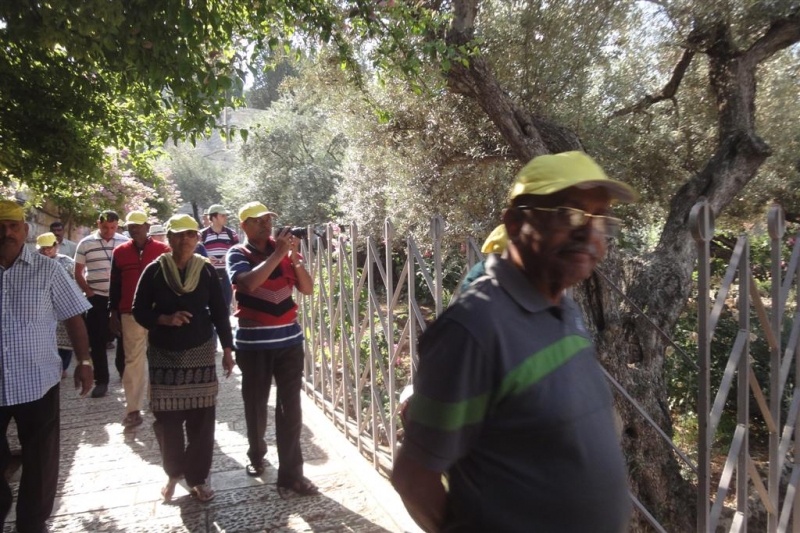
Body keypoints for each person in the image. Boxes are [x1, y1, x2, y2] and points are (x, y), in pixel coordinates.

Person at [391, 151, 637, 532]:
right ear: (515, 222)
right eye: (568, 213)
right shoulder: (474, 327)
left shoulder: (565, 308)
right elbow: (414, 479)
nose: (589, 233)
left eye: (601, 219)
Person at [0, 200, 93, 533]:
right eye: (0, 227)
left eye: (13, 226)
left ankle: (32, 523)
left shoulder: (48, 270)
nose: (6, 232)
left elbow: (73, 316)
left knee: (40, 460)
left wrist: (84, 361)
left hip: (37, 381)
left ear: (25, 230)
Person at [132, 214, 234, 503]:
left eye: (190, 234)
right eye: (178, 234)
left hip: (200, 350)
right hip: (164, 354)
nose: (185, 239)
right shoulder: (155, 270)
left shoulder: (205, 270)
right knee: (167, 420)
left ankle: (198, 478)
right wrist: (164, 318)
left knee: (202, 420)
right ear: (169, 238)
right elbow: (139, 309)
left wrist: (228, 349)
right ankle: (173, 473)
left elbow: (219, 311)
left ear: (197, 238)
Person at [226, 201, 317, 496]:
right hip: (254, 345)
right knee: (256, 403)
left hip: (289, 341)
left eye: (268, 219)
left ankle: (292, 474)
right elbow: (249, 283)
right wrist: (279, 254)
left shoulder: (285, 253)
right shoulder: (237, 253)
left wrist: (294, 258)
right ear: (244, 226)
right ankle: (256, 455)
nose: (266, 224)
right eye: (258, 220)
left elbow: (307, 288)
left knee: (291, 408)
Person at [109, 211, 170, 428]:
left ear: (146, 226)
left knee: (158, 357)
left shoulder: (163, 250)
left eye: (138, 225)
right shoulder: (120, 252)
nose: (134, 229)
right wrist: (113, 312)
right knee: (133, 361)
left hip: (157, 314)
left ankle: (158, 402)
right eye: (131, 226)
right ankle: (133, 409)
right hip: (130, 313)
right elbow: (115, 284)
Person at [74, 210, 130, 397]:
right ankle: (101, 380)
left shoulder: (125, 242)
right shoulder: (85, 243)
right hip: (96, 297)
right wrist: (89, 293)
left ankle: (123, 371)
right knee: (97, 340)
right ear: (98, 224)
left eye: (113, 227)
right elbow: (78, 273)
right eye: (105, 227)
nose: (109, 231)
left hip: (120, 298)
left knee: (124, 337)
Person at [36, 232, 78, 377]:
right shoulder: (33, 263)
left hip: (64, 308)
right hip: (42, 309)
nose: (46, 252)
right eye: (43, 249)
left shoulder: (68, 263)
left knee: (65, 341)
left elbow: (75, 284)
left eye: (49, 248)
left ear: (56, 246)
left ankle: (63, 367)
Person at [200, 204, 238, 310]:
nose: (226, 218)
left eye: (226, 215)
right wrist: (206, 258)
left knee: (226, 306)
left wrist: (229, 256)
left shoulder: (232, 234)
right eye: (222, 215)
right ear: (214, 217)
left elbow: (238, 252)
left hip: (227, 275)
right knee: (210, 306)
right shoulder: (202, 235)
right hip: (209, 276)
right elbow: (196, 254)